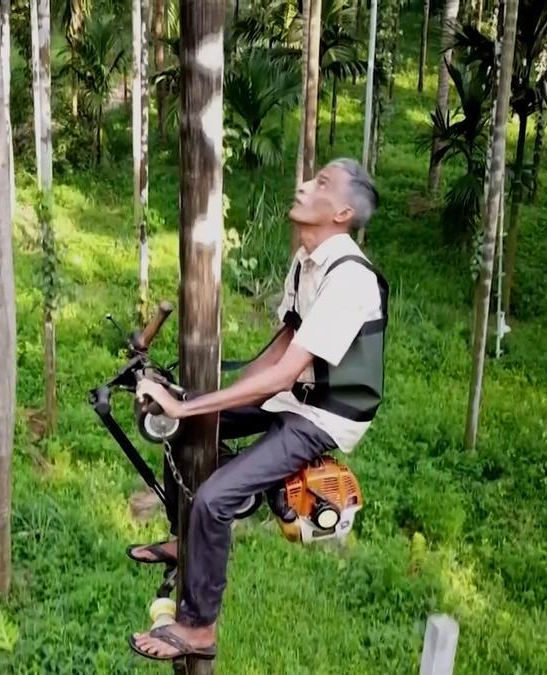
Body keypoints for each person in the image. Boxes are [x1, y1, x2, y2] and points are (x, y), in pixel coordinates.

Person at [127, 158, 387, 662]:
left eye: (322, 184)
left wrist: (189, 404)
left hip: (325, 416)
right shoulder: (305, 261)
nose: (305, 186)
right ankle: (190, 543)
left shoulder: (350, 278)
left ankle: (200, 626)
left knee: (215, 498)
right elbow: (280, 350)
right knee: (184, 433)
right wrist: (198, 407)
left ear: (343, 212)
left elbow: (284, 373)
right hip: (295, 395)